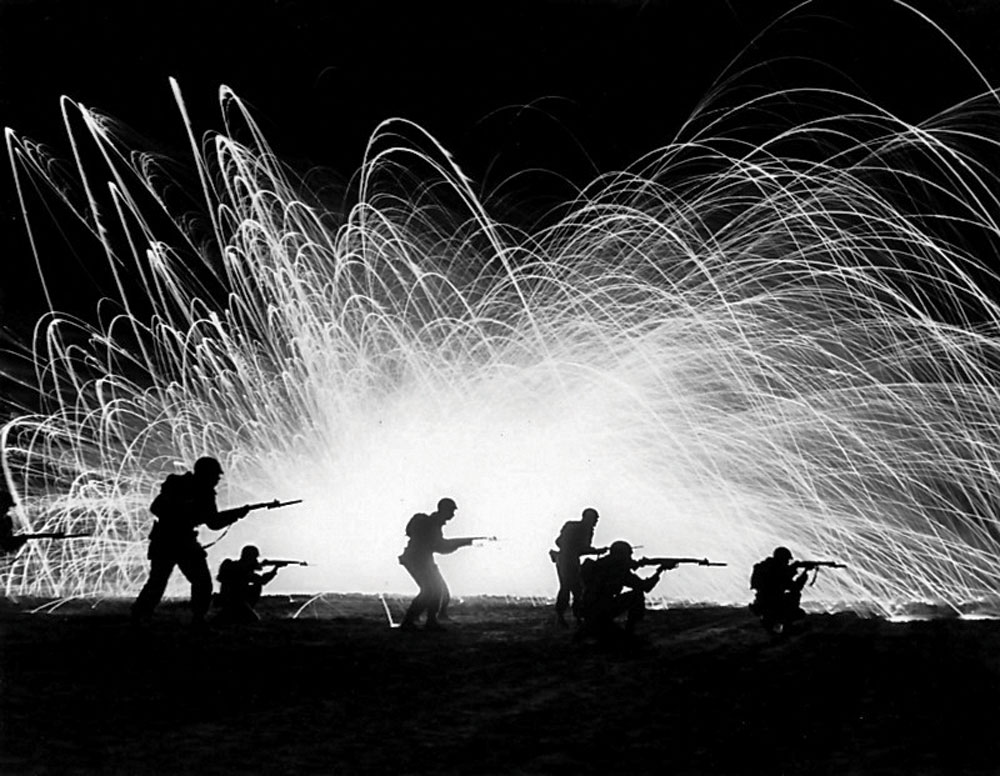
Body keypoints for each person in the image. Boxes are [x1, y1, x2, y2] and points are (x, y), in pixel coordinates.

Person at [130, 456, 251, 628]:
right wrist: (234, 515)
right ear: (206, 474)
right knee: (196, 582)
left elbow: (211, 521)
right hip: (176, 541)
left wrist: (235, 514)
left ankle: (141, 614)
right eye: (215, 475)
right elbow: (212, 522)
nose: (218, 479)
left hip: (169, 541)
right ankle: (192, 618)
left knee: (161, 581)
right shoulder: (191, 488)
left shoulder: (185, 486)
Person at [398, 497, 476, 631]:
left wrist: (462, 542)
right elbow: (440, 547)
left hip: (421, 560)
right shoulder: (433, 524)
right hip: (417, 560)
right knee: (429, 590)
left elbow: (439, 546)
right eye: (451, 511)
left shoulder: (434, 523)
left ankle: (429, 622)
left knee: (436, 589)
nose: (452, 514)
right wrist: (463, 542)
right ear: (444, 510)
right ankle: (410, 622)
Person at [576, 540, 675, 643]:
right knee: (636, 596)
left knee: (606, 633)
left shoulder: (599, 565)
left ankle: (590, 629)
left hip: (590, 610)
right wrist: (660, 570)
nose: (630, 558)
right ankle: (628, 631)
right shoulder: (618, 570)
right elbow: (645, 587)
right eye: (628, 555)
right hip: (601, 612)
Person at [550, 507, 606, 627]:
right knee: (575, 589)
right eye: (595, 519)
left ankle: (564, 617)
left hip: (564, 559)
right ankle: (573, 617)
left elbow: (558, 542)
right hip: (569, 560)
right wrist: (596, 551)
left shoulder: (570, 526)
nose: (596, 522)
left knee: (569, 587)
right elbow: (582, 549)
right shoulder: (586, 530)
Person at [749, 546, 809, 635]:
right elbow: (794, 587)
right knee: (795, 597)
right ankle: (785, 626)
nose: (787, 562)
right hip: (774, 603)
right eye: (786, 560)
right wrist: (804, 575)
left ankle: (775, 625)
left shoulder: (764, 567)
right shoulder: (776, 571)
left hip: (762, 602)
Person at [214, 545, 279, 623]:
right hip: (235, 601)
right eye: (254, 557)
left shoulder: (235, 566)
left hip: (235, 601)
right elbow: (262, 580)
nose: (255, 560)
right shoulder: (238, 568)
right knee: (252, 619)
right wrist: (275, 570)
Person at [0, 490, 27, 555]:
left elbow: (7, 546)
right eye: (5, 506)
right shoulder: (6, 521)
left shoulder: (7, 521)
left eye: (8, 507)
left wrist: (19, 541)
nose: (7, 509)